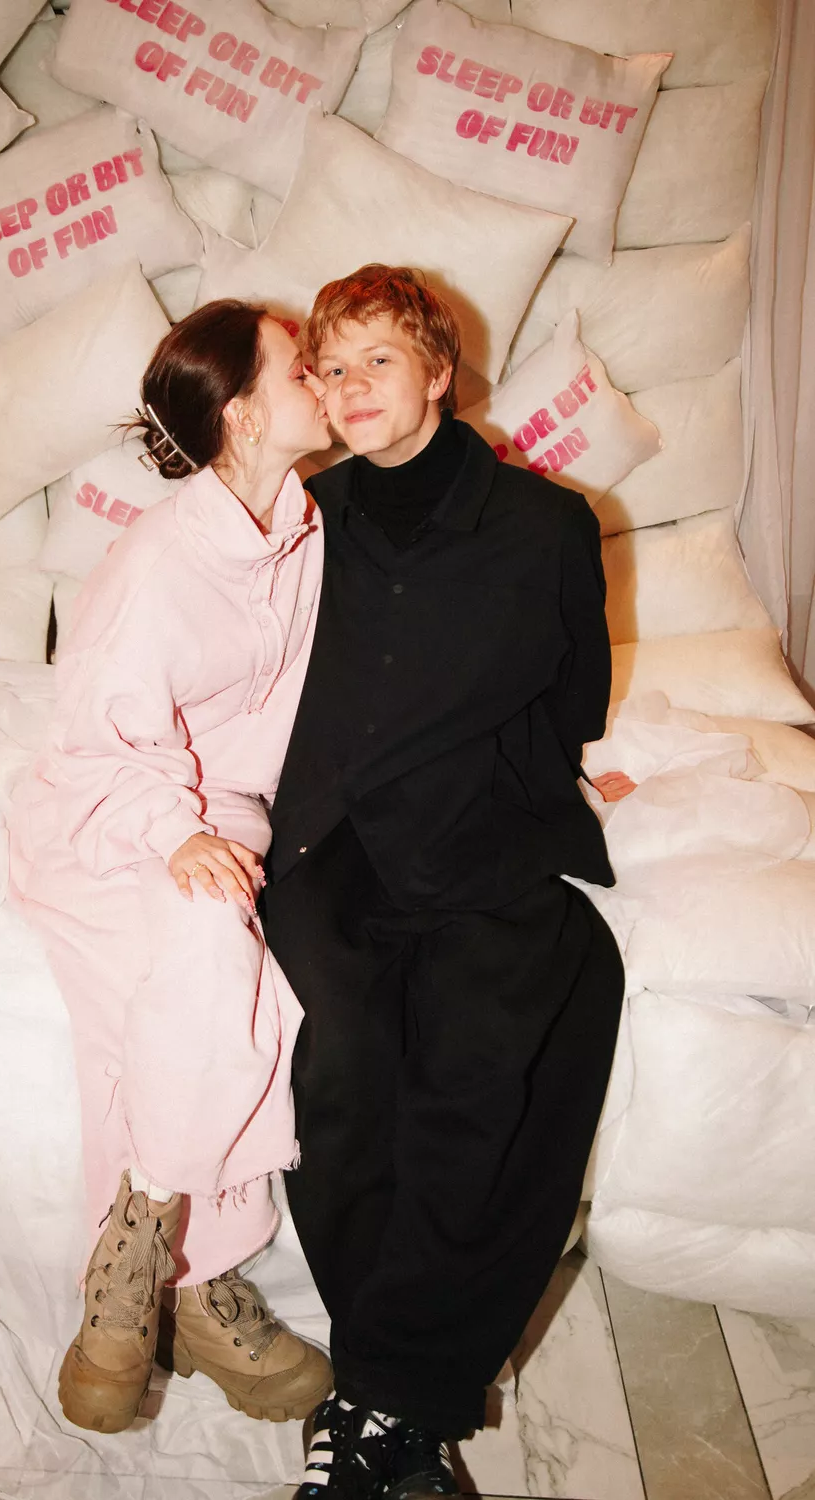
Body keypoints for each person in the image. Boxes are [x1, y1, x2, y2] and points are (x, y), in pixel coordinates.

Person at [260, 265, 632, 1500]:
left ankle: (375, 1404)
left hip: (484, 838)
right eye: (331, 366)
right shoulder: (300, 517)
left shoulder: (548, 524)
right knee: (341, 1066)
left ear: (438, 371)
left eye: (379, 358)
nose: (351, 385)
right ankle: (404, 1406)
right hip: (332, 848)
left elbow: (572, 703)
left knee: (491, 1061)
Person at [10, 300, 334, 1436]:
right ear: (242, 413)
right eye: (302, 368)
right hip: (108, 814)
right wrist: (171, 831)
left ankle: (151, 1259)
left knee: (209, 954)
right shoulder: (157, 560)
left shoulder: (308, 533)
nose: (324, 380)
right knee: (209, 946)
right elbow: (92, 735)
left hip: (222, 816)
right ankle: (195, 1277)